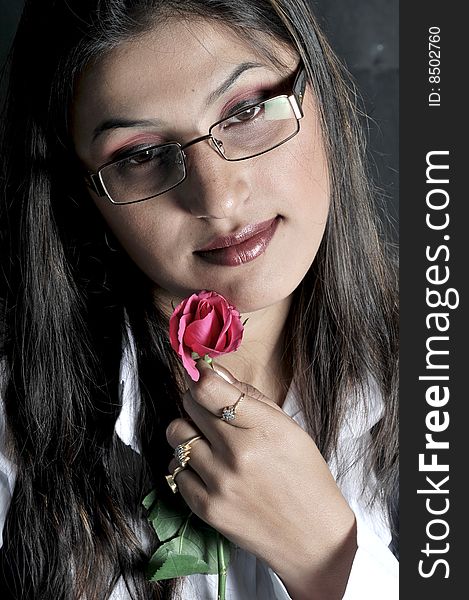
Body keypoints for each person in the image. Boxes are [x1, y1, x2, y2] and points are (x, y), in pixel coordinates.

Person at [0, 0, 399, 598]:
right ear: (83, 196)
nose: (218, 198)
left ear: (324, 94)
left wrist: (325, 556)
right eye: (138, 155)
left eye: (245, 110)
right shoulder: (15, 431)